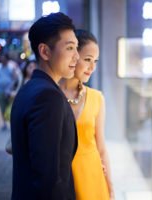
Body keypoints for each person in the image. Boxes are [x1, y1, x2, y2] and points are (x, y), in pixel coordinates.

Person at [10, 12, 79, 200]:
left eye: (77, 48)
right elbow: (47, 179)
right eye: (70, 48)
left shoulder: (30, 89)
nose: (77, 57)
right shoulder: (48, 97)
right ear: (45, 51)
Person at [59, 30, 115, 200]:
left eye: (95, 61)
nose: (93, 67)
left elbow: (101, 148)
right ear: (73, 56)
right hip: (60, 179)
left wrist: (110, 188)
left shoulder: (97, 98)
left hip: (91, 179)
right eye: (88, 59)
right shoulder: (51, 95)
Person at [0, 54, 16, 131]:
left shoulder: (11, 67)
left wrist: (8, 89)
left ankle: (12, 123)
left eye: (4, 58)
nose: (2, 59)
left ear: (7, 59)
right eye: (1, 58)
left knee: (10, 108)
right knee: (2, 107)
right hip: (0, 90)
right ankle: (4, 124)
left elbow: (15, 79)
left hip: (9, 92)